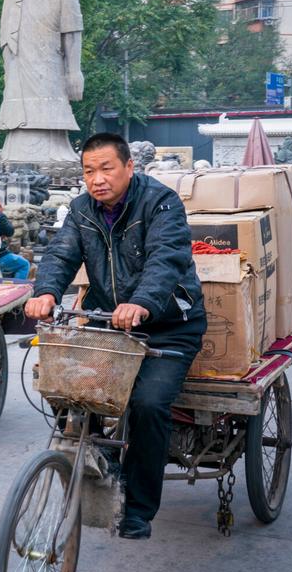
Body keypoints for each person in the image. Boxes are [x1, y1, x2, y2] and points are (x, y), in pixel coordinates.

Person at [25, 133, 206, 540]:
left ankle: (138, 509)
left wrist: (142, 301)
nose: (97, 179)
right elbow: (61, 254)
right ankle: (94, 459)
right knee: (66, 387)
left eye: (106, 168)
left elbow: (167, 258)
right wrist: (46, 292)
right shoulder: (81, 210)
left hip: (170, 325)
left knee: (146, 403)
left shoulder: (160, 203)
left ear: (129, 167)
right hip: (110, 323)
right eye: (89, 171)